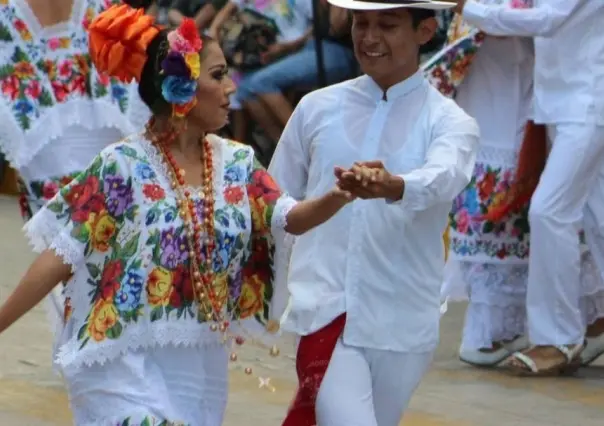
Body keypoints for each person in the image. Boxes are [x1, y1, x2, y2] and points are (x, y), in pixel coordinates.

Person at [0, 2, 360, 424]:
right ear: (183, 89)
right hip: (118, 365)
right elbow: (60, 257)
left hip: (197, 374)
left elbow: (288, 217)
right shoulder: (123, 165)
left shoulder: (239, 164)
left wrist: (338, 195)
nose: (231, 88)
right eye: (218, 76)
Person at [269, 1, 480, 425]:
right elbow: (272, 199)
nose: (369, 38)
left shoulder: (450, 122)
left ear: (424, 31)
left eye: (386, 25)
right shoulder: (315, 108)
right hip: (323, 309)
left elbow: (445, 175)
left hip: (403, 321)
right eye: (361, 24)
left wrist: (395, 186)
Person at [454, 0, 604, 374]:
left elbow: (546, 19)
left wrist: (467, 7)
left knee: (550, 211)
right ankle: (587, 322)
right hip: (558, 101)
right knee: (594, 215)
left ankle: (558, 340)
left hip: (588, 101)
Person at [0, 0, 149, 332]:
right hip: (53, 179)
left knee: (106, 304)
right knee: (86, 297)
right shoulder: (108, 11)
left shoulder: (108, 12)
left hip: (112, 172)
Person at [437, 1, 535, 366]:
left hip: (515, 88)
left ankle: (503, 329)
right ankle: (491, 331)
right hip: (489, 93)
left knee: (508, 206)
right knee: (492, 205)